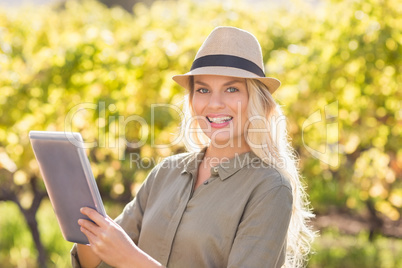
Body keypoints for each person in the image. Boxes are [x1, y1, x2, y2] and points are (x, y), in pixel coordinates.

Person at [71, 26, 315, 268]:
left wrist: (131, 260)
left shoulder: (269, 188)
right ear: (191, 100)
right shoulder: (166, 173)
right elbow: (99, 260)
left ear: (257, 101)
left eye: (232, 89)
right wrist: (77, 208)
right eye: (203, 90)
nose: (215, 103)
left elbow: (124, 256)